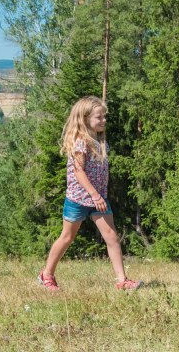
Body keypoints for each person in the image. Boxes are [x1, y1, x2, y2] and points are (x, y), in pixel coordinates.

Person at [38, 96, 143, 291]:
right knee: (67, 237)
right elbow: (79, 172)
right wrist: (94, 194)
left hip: (98, 199)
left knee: (111, 236)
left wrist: (98, 196)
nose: (104, 120)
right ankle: (47, 275)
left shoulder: (99, 141)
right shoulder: (80, 142)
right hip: (79, 199)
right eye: (99, 117)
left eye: (104, 116)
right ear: (85, 119)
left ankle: (122, 280)